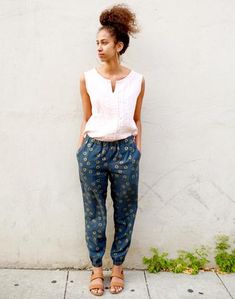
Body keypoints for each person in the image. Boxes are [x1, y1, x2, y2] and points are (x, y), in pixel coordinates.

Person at [76, 3, 145, 296]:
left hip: (126, 152)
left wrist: (136, 150)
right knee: (94, 212)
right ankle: (96, 270)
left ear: (119, 45)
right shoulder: (87, 78)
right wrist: (81, 148)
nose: (99, 48)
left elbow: (138, 119)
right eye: (97, 43)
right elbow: (86, 116)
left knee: (125, 210)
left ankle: (117, 268)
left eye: (104, 43)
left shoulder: (137, 80)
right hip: (93, 150)